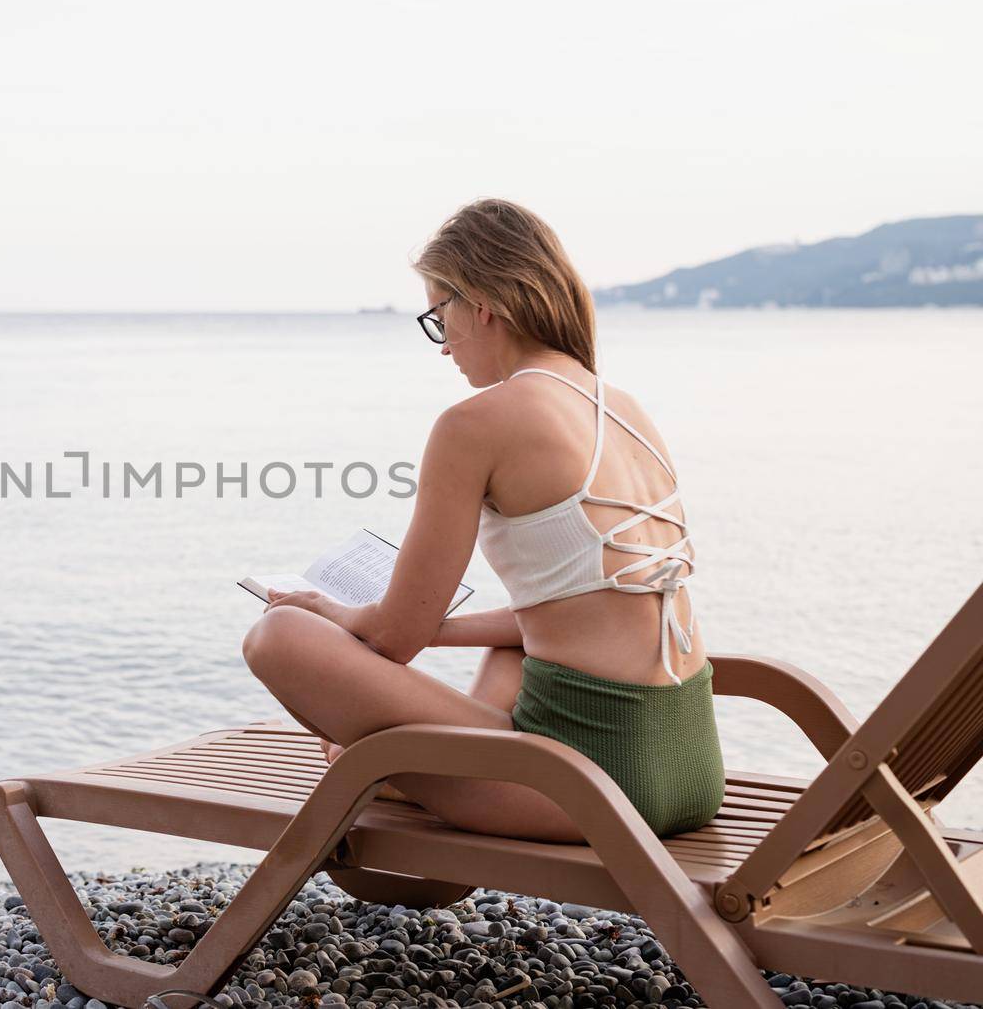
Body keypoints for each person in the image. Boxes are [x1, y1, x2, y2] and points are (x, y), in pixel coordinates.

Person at [241, 198, 723, 842]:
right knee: (511, 642)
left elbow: (391, 639)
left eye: (439, 315)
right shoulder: (622, 408)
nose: (443, 346)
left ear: (481, 305)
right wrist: (440, 629)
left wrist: (326, 611)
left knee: (278, 636)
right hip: (689, 767)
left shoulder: (476, 423)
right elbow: (586, 602)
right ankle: (403, 767)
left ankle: (390, 766)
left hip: (591, 784)